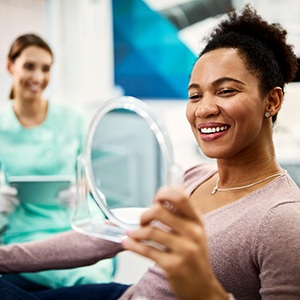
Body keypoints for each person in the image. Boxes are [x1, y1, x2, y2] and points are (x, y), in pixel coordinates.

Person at [1, 5, 300, 299]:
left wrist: (203, 291)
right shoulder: (194, 180)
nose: (204, 108)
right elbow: (102, 239)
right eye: (195, 95)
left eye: (226, 91)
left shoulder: (283, 220)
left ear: (272, 101)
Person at [0, 33, 115, 290]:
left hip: (73, 227)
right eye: (29, 66)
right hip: (23, 234)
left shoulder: (72, 119)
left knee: (96, 277)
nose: (38, 78)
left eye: (46, 69)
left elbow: (90, 180)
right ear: (10, 66)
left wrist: (82, 196)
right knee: (82, 283)